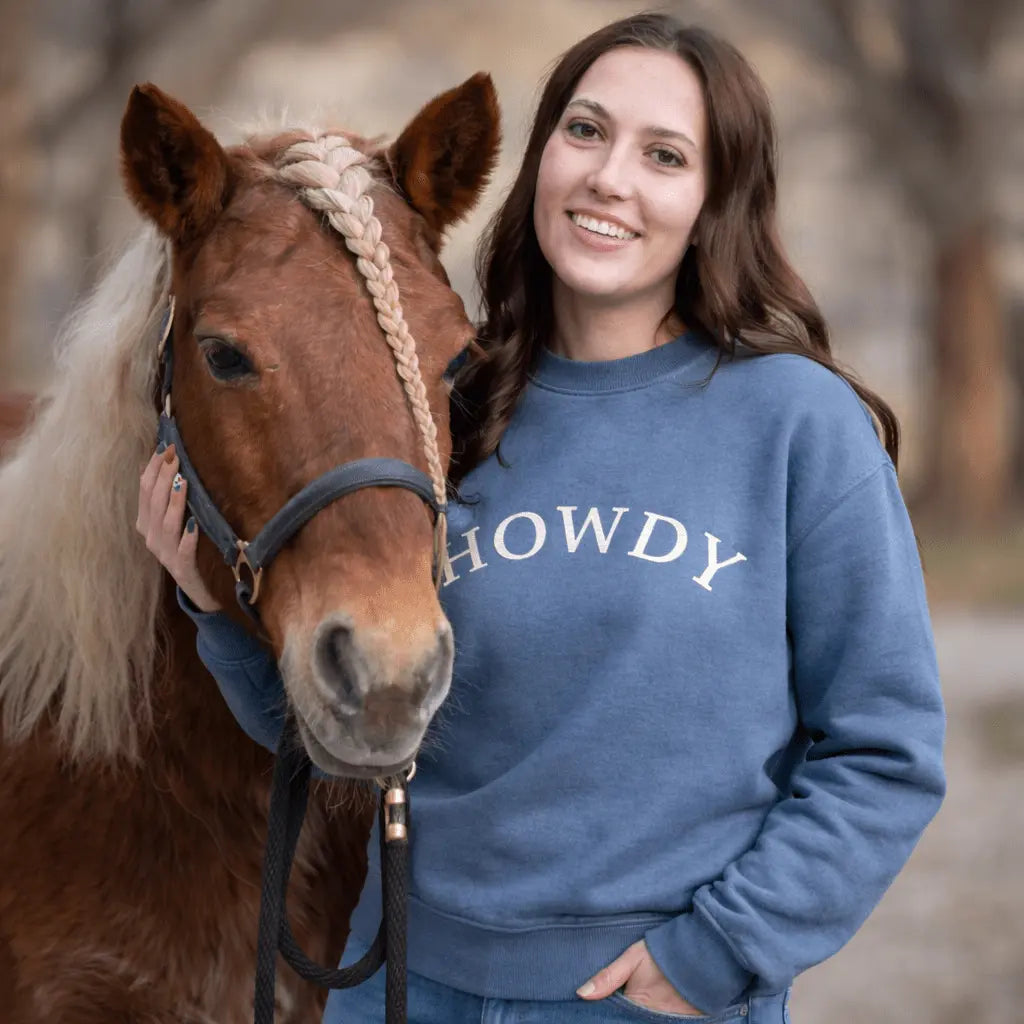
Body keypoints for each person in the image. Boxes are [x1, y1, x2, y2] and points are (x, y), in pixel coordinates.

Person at [137, 13, 945, 1023]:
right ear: (540, 158)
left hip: (643, 999)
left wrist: (721, 951)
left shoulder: (795, 422)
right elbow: (356, 731)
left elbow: (884, 748)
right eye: (586, 131)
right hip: (401, 987)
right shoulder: (443, 411)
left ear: (714, 200)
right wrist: (213, 608)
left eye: (664, 155)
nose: (609, 178)